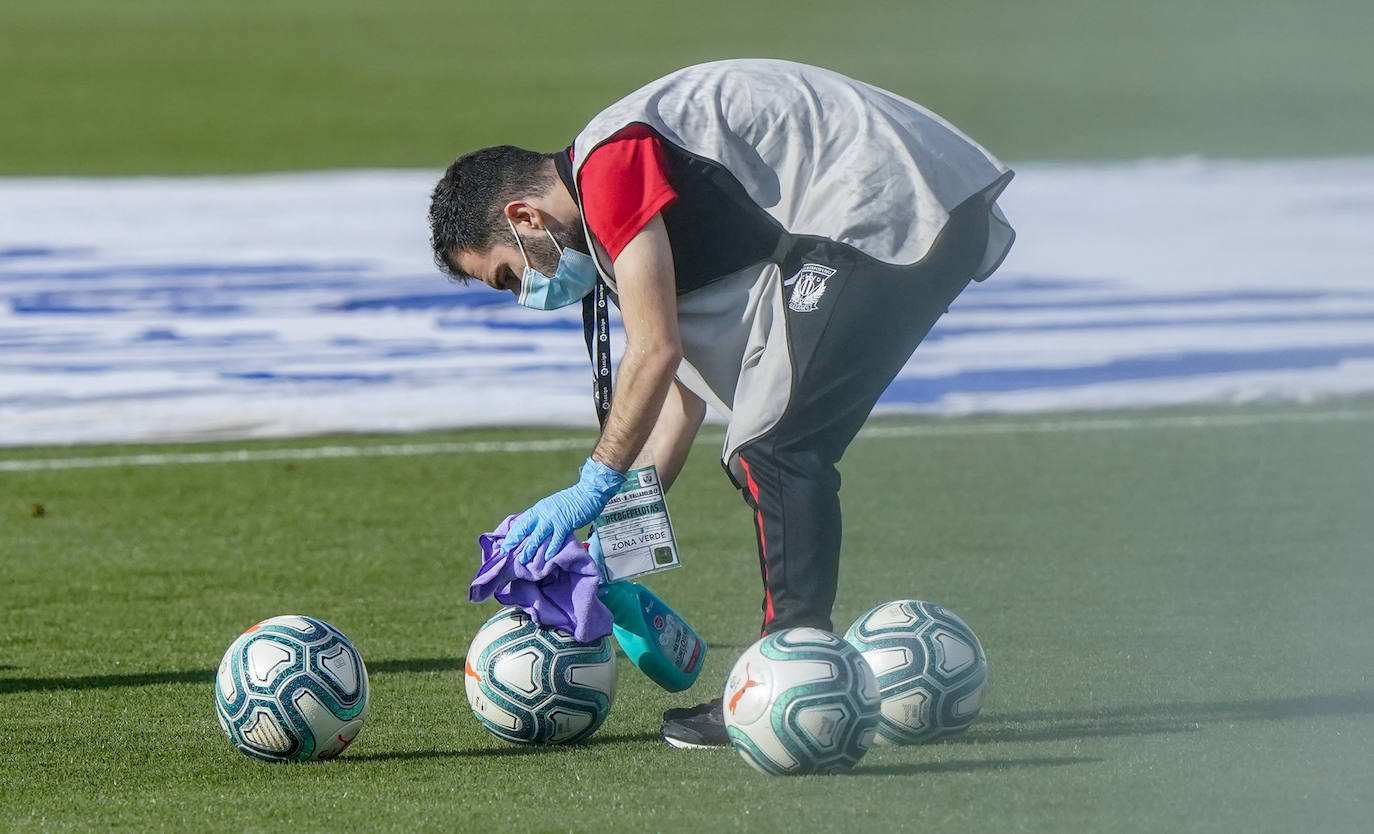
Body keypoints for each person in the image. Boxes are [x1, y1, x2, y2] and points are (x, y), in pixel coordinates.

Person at [427, 58, 1015, 748]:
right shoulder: (610, 230)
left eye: (506, 275)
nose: (523, 294)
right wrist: (605, 551)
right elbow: (679, 406)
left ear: (524, 216)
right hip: (883, 201)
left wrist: (590, 487)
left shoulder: (610, 166)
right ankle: (798, 665)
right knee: (770, 442)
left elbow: (657, 354)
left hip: (884, 193)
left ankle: (793, 675)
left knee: (773, 446)